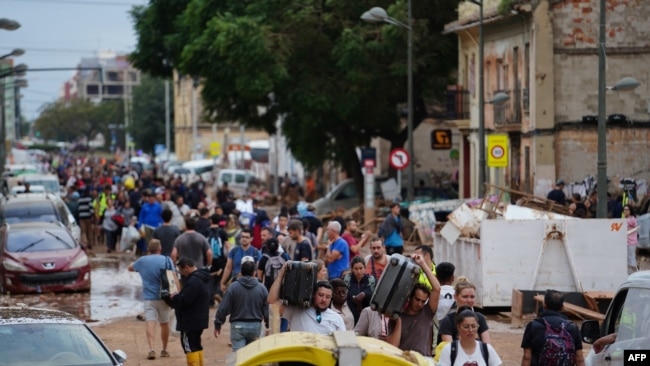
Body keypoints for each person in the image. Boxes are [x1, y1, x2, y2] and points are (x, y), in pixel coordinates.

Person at [386, 253, 441, 359]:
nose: (419, 304)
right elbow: (393, 347)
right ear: (410, 298)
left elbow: (437, 289)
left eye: (423, 301)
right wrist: (398, 321)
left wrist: (423, 264)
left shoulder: (427, 312)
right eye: (417, 299)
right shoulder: (396, 317)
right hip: (404, 360)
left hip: (424, 360)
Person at [127, 239, 172, 360]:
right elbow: (173, 277)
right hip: (164, 297)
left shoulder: (143, 261)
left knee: (150, 322)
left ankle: (151, 349)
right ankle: (164, 349)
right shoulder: (167, 260)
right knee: (164, 323)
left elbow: (130, 268)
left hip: (148, 298)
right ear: (160, 249)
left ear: (148, 249)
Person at [268, 264, 346, 334]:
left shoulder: (337, 318)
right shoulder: (297, 310)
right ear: (313, 295)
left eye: (328, 297)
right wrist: (281, 275)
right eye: (321, 295)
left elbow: (343, 344)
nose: (324, 300)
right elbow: (272, 301)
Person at [214, 257, 269, 352]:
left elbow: (223, 308)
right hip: (255, 326)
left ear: (241, 272)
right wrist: (267, 324)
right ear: (254, 272)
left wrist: (218, 323)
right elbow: (266, 309)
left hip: (237, 326)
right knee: (254, 356)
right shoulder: (262, 288)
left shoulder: (233, 287)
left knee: (238, 357)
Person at [521, 289, 584, 366]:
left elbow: (527, 357)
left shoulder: (533, 326)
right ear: (562, 307)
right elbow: (579, 358)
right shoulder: (572, 327)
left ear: (544, 305)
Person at [170, 257, 211, 366]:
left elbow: (184, 300)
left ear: (186, 268)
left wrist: (174, 298)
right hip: (199, 320)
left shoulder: (193, 281)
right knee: (196, 345)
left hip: (190, 322)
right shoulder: (202, 278)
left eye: (181, 270)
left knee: (189, 347)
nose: (182, 274)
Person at [438, 308, 503, 366]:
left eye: (473, 326)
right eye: (466, 326)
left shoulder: (486, 349)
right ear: (458, 327)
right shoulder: (449, 350)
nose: (470, 330)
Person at [439, 278, 491, 344]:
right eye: (465, 297)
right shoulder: (447, 321)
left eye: (472, 297)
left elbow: (487, 346)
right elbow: (450, 349)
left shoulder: (480, 318)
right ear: (455, 297)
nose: (469, 300)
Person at [220, 228, 261, 293]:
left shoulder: (256, 252)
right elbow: (228, 268)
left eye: (247, 237)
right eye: (243, 237)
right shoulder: (234, 251)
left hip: (251, 284)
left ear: (251, 239)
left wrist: (260, 284)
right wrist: (222, 282)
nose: (244, 239)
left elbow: (259, 270)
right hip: (236, 283)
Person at [344, 256, 375, 324]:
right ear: (352, 269)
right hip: (350, 317)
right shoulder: (347, 280)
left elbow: (374, 295)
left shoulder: (371, 280)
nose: (359, 271)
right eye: (356, 269)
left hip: (368, 317)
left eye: (361, 268)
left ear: (365, 268)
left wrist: (364, 294)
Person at [624, 204, 639, 274]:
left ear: (630, 211)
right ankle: (630, 272)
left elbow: (636, 229)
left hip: (631, 242)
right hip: (626, 242)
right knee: (628, 258)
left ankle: (634, 273)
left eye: (627, 210)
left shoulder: (632, 219)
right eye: (624, 209)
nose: (625, 211)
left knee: (631, 258)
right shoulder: (624, 219)